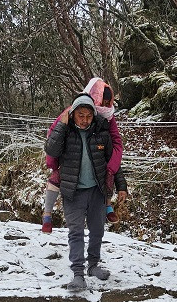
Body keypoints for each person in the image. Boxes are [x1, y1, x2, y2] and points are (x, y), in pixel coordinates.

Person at [44, 93, 127, 291]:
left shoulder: (101, 133)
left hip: (97, 191)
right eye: (80, 115)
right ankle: (78, 273)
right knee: (76, 232)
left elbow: (113, 162)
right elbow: (51, 150)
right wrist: (62, 125)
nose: (84, 120)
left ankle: (93, 265)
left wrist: (121, 185)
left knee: (97, 230)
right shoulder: (66, 132)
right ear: (73, 114)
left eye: (88, 116)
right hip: (73, 191)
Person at [42, 77, 125, 233]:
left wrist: (113, 168)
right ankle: (47, 214)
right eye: (103, 101)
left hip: (95, 167)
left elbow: (115, 144)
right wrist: (53, 164)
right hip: (67, 164)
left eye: (109, 103)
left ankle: (107, 205)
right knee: (55, 180)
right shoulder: (72, 113)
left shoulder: (107, 118)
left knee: (105, 172)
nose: (106, 106)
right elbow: (53, 136)